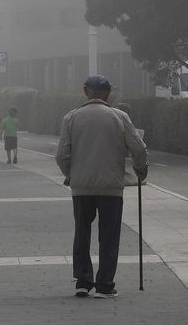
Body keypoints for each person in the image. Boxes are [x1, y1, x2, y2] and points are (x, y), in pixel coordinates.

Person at [55, 75, 148, 299]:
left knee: (82, 233)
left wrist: (70, 174)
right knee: (109, 236)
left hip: (81, 187)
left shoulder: (72, 117)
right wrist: (141, 171)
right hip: (111, 187)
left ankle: (83, 281)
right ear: (108, 94)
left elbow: (61, 154)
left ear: (85, 91)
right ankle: (105, 284)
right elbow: (139, 148)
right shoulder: (120, 116)